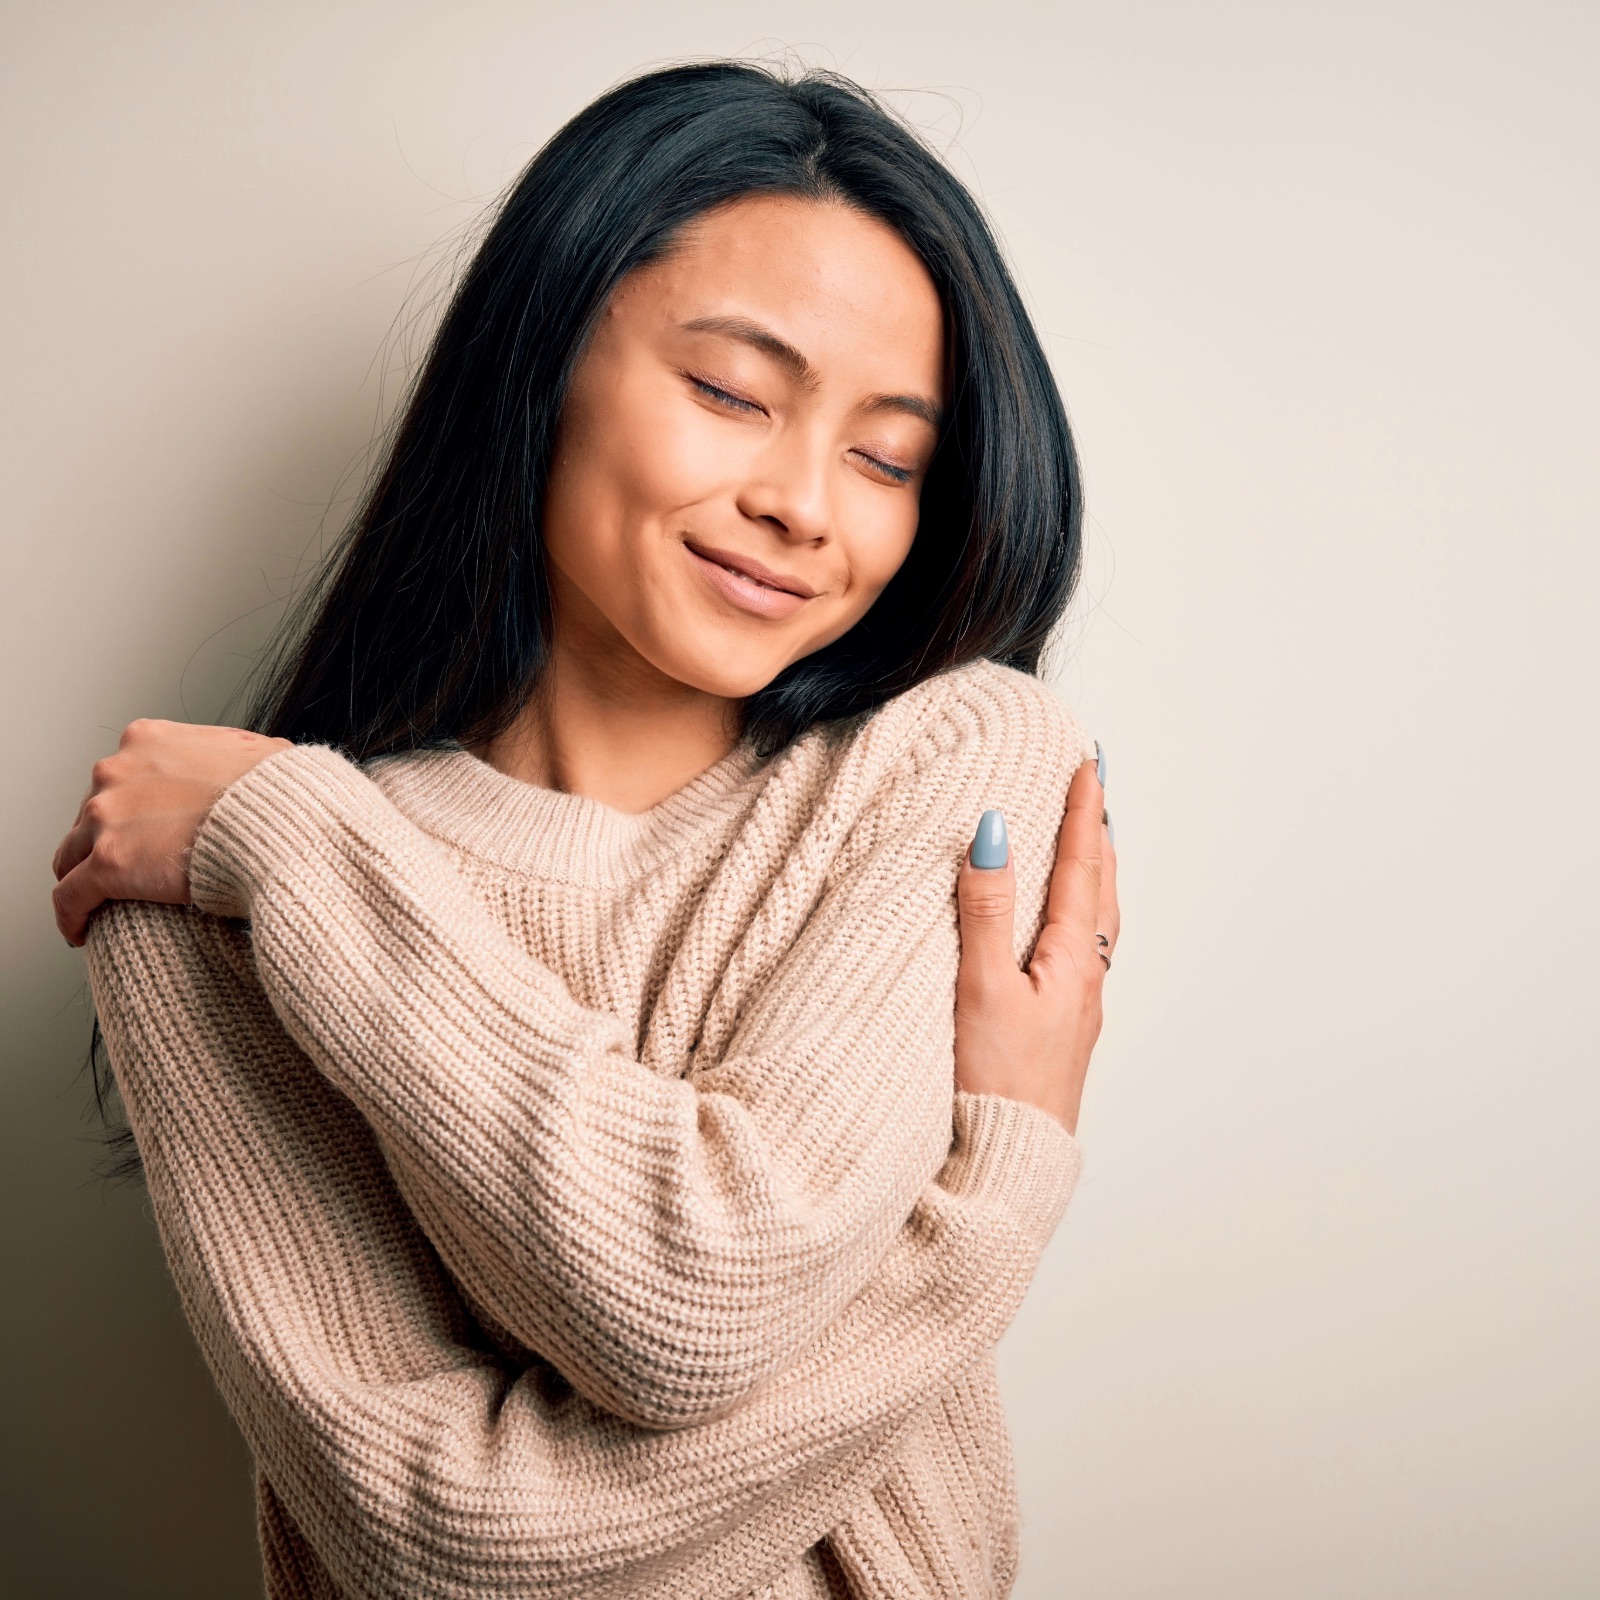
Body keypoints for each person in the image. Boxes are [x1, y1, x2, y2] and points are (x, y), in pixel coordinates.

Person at [51, 61, 1120, 1599]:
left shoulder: (957, 756)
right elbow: (438, 1539)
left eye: (888, 457)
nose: (808, 506)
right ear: (540, 364)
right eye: (734, 394)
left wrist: (292, 848)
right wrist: (993, 1197)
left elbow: (701, 1291)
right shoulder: (208, 888)